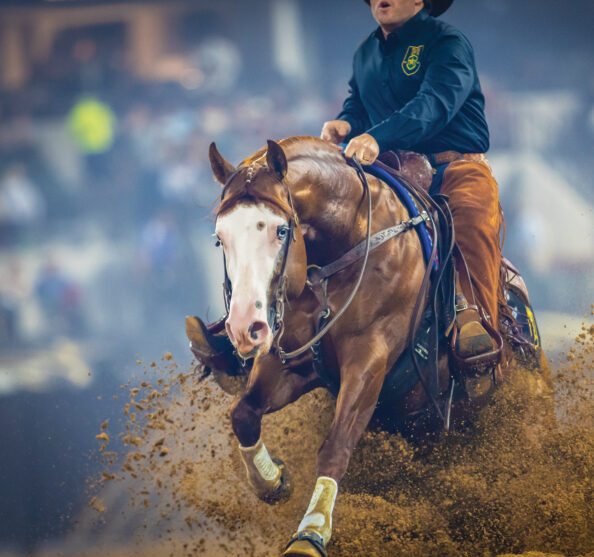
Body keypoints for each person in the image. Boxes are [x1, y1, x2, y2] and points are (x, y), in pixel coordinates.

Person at [186, 0, 504, 394]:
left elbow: (434, 105)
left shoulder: (447, 42)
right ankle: (264, 334)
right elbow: (359, 101)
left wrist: (377, 135)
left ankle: (473, 322)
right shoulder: (366, 51)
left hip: (451, 167)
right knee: (325, 225)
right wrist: (347, 121)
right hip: (390, 165)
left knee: (471, 219)